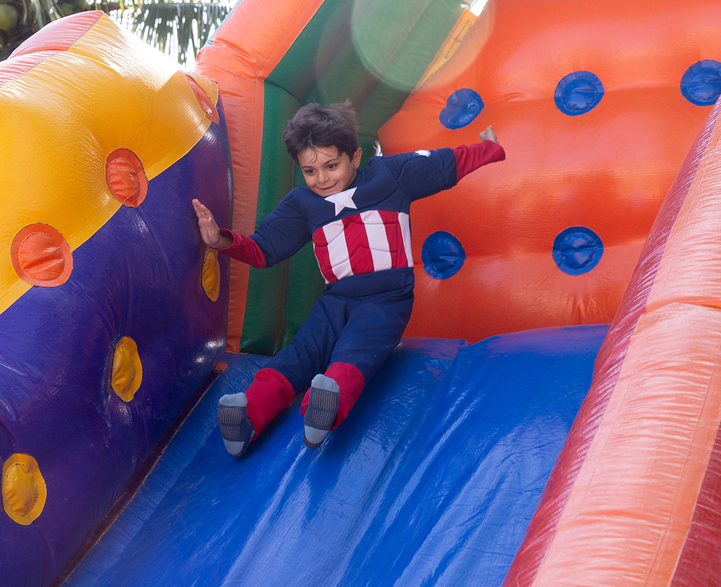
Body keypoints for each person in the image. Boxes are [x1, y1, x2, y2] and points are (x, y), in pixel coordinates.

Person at [192, 102, 505, 456]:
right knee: (302, 351)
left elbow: (446, 163)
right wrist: (220, 240)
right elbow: (265, 250)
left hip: (387, 300)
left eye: (331, 166)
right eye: (310, 171)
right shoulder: (302, 203)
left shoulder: (390, 176)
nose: (322, 179)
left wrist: (489, 148)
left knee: (357, 348)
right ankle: (247, 412)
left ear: (355, 157)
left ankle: (326, 402)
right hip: (335, 301)